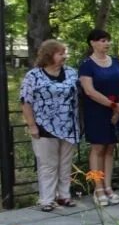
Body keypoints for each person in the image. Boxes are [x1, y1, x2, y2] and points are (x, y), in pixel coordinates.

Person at [20, 40, 80, 211]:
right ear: (49, 55)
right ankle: (47, 199)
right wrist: (31, 125)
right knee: (47, 164)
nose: (64, 56)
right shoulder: (33, 75)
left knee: (65, 163)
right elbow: (25, 101)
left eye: (64, 53)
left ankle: (64, 196)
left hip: (68, 126)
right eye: (60, 53)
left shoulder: (71, 73)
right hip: (44, 126)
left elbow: (78, 96)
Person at [78, 28, 119, 206]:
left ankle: (108, 186)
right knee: (98, 148)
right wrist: (112, 105)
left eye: (107, 40)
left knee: (110, 148)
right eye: (102, 40)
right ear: (92, 43)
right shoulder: (87, 65)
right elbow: (90, 91)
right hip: (97, 111)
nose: (106, 43)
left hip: (116, 111)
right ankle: (98, 188)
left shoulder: (115, 62)